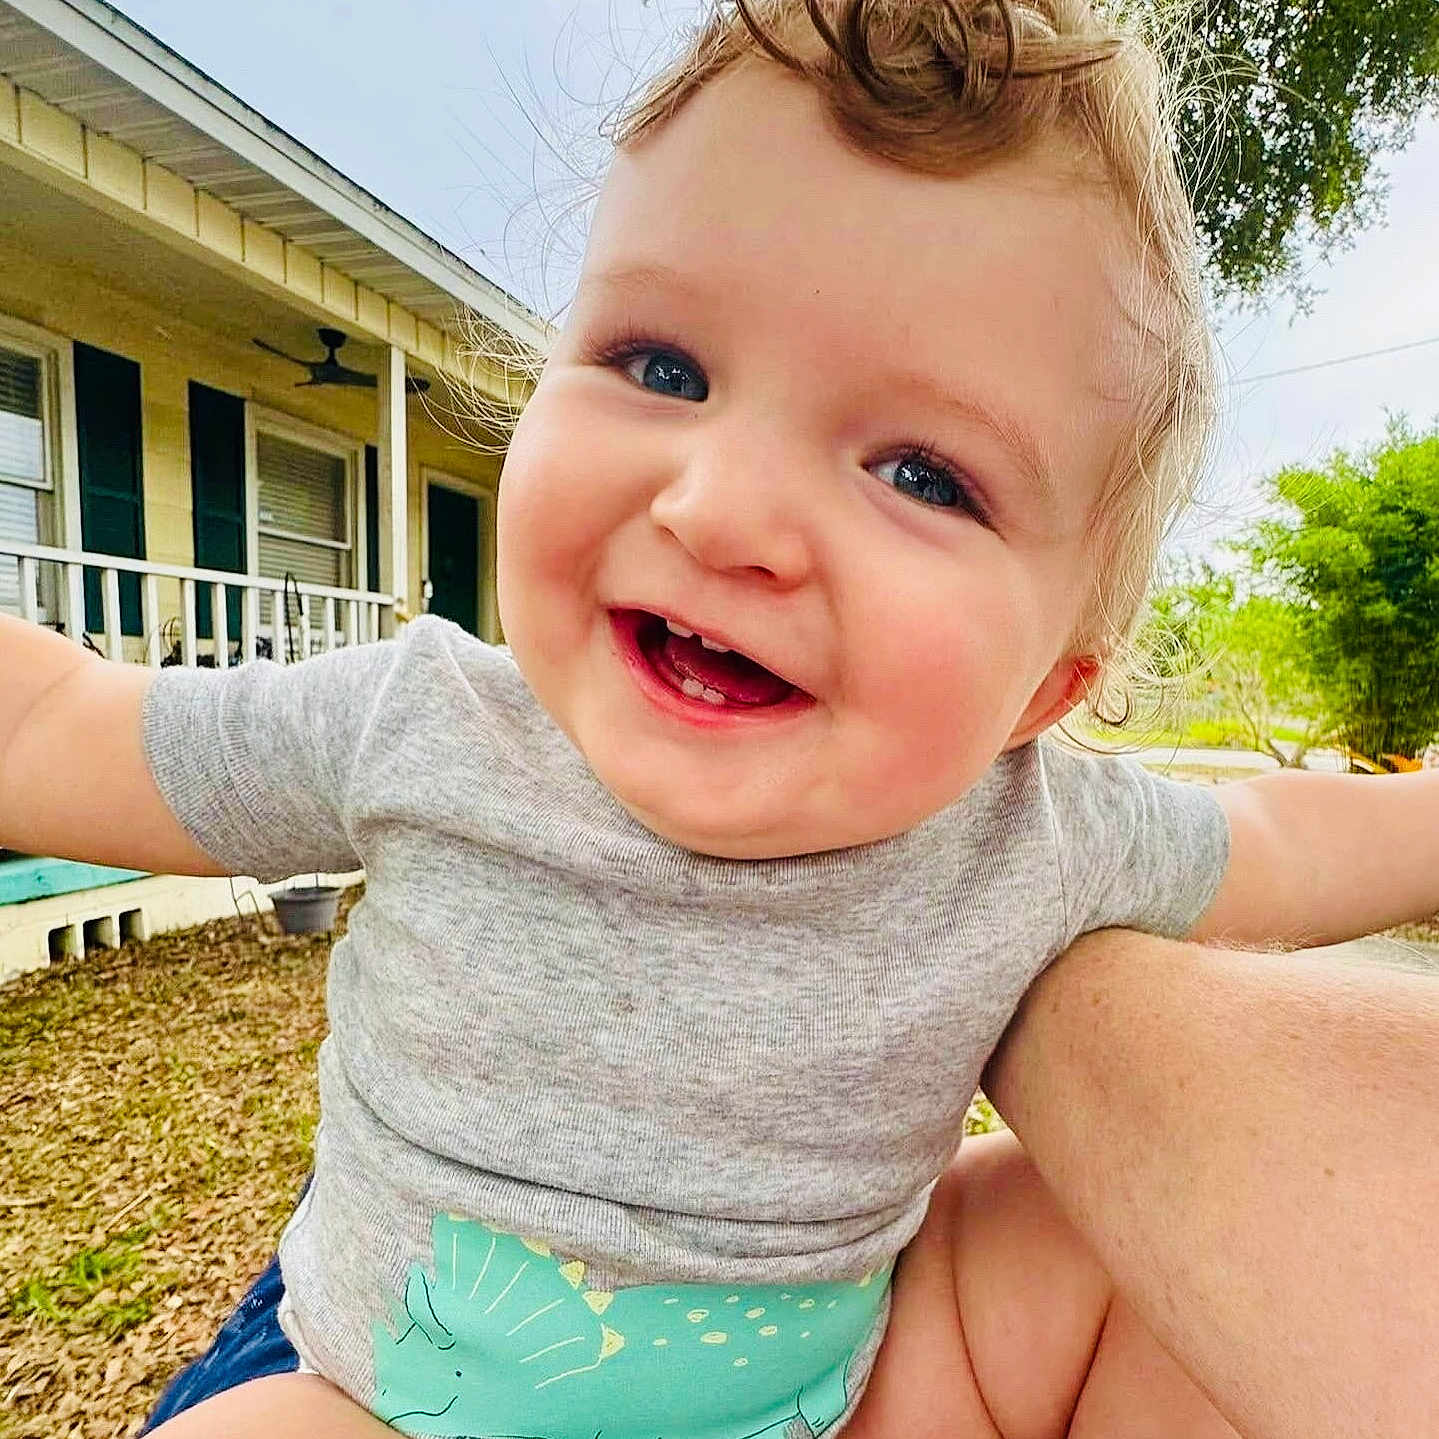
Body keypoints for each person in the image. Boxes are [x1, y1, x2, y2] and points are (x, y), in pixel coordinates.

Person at [1, 1, 1436, 1435]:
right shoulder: (422, 724)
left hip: (827, 1397)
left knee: (1126, 1272)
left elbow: (1288, 840)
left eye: (923, 475)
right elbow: (47, 723)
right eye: (664, 368)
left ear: (1046, 693)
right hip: (378, 1389)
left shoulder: (1032, 834)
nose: (725, 511)